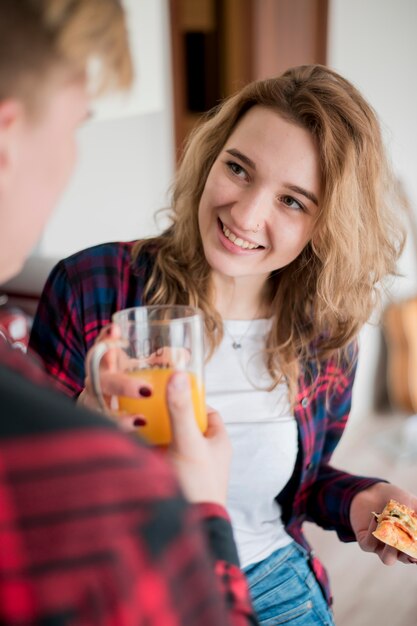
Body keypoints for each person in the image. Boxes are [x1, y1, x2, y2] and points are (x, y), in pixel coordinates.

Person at [29, 63, 417, 625]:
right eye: (238, 168)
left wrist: (361, 498)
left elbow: (296, 488)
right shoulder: (94, 286)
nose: (245, 213)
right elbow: (27, 489)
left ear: (326, 225)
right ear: (210, 157)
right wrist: (85, 424)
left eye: (293, 201)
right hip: (129, 586)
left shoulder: (324, 335)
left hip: (271, 584)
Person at [0, 1, 259, 624]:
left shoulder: (326, 329)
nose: (248, 217)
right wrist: (199, 508)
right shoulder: (97, 492)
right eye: (76, 127)